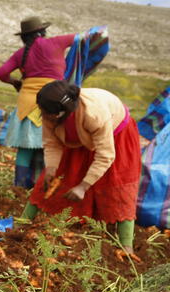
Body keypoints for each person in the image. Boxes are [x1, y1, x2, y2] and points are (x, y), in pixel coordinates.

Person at [21, 80, 142, 254]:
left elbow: (106, 155)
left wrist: (83, 186)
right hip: (78, 137)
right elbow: (51, 143)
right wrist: (52, 169)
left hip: (115, 136)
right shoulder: (49, 113)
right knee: (49, 181)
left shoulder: (94, 115)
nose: (42, 115)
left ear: (60, 113)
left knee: (118, 186)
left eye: (46, 113)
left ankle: (126, 245)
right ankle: (22, 224)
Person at [0, 16, 75, 189]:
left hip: (28, 103)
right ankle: (43, 187)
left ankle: (19, 187)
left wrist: (15, 82)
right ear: (42, 32)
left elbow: (1, 73)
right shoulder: (56, 42)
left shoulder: (20, 54)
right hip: (53, 101)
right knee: (50, 146)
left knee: (25, 148)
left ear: (24, 37)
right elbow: (81, 39)